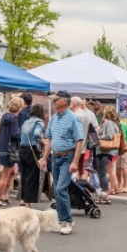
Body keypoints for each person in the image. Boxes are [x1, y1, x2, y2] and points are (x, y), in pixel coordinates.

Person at [39, 91, 84, 235]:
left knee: (60, 189)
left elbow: (79, 141)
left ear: (64, 101)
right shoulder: (53, 118)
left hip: (67, 157)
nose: (53, 102)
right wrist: (44, 158)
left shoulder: (73, 118)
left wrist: (75, 161)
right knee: (57, 190)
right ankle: (60, 219)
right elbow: (49, 140)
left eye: (56, 100)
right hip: (56, 157)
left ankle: (67, 220)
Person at [0, 97, 23, 206]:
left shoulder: (5, 116)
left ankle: (5, 195)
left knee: (13, 172)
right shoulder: (14, 118)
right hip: (10, 149)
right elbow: (15, 134)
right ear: (19, 106)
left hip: (2, 147)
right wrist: (23, 133)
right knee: (6, 175)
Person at [19, 104, 46, 207]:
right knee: (32, 177)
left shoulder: (26, 121)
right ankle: (27, 203)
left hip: (22, 149)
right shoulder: (39, 122)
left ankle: (22, 200)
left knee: (24, 176)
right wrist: (42, 141)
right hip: (32, 150)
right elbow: (37, 133)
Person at [96, 105, 121, 199]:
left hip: (104, 151)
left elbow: (109, 136)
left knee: (103, 172)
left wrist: (97, 137)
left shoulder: (109, 123)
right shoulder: (113, 123)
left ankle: (105, 193)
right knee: (102, 171)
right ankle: (106, 190)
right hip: (105, 151)